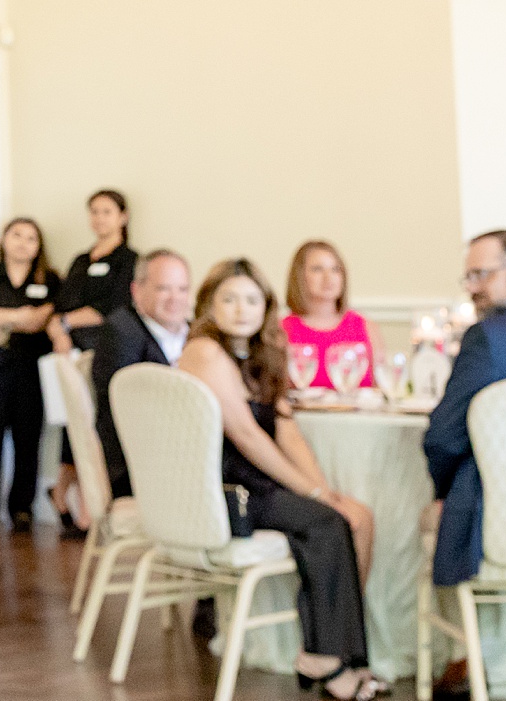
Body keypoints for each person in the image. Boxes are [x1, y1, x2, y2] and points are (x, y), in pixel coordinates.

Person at [177, 259, 382, 700]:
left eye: (252, 299)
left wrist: (323, 489)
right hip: (226, 492)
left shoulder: (262, 353)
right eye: (228, 299)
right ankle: (326, 659)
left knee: (350, 515)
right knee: (328, 522)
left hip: (259, 486)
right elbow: (248, 438)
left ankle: (344, 657)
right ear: (209, 306)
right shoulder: (205, 351)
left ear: (265, 307)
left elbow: (286, 429)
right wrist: (313, 495)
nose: (241, 309)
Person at [424, 230, 506, 701]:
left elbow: (443, 436)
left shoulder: (487, 338)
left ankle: (498, 680)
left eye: (481, 274)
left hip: (502, 526)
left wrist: (439, 493)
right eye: (469, 276)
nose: (472, 286)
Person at [46, 188, 138, 535]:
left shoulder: (128, 261)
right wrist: (59, 332)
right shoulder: (81, 261)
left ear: (123, 217)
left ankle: (75, 499)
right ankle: (67, 495)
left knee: (92, 423)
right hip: (69, 352)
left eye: (107, 212)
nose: (100, 218)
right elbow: (61, 306)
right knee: (72, 422)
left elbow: (113, 309)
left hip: (105, 355)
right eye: (94, 212)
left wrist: (68, 322)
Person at [0, 218, 59, 531]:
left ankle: (22, 508)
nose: (23, 242)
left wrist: (0, 322)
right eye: (16, 235)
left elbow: (40, 322)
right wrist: (20, 316)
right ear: (4, 240)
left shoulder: (50, 279)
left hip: (31, 370)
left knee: (27, 439)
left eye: (31, 237)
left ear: (39, 246)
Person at [92, 249, 194, 500]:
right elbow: (119, 409)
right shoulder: (122, 332)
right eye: (164, 289)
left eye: (182, 289)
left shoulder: (197, 333)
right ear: (137, 290)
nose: (175, 298)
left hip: (187, 446)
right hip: (143, 464)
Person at [281, 240, 376, 391]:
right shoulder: (282, 331)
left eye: (335, 269)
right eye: (317, 269)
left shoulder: (364, 326)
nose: (328, 277)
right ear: (299, 276)